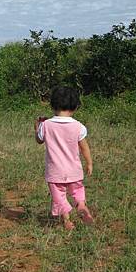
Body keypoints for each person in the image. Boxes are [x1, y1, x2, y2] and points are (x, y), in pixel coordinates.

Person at [35, 86, 94, 230]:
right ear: (75, 107)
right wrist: (89, 163)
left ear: (53, 105)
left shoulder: (46, 125)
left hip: (55, 171)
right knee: (77, 190)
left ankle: (67, 221)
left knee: (59, 197)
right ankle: (81, 204)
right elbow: (84, 147)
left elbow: (39, 140)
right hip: (74, 170)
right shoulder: (78, 126)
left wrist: (37, 127)